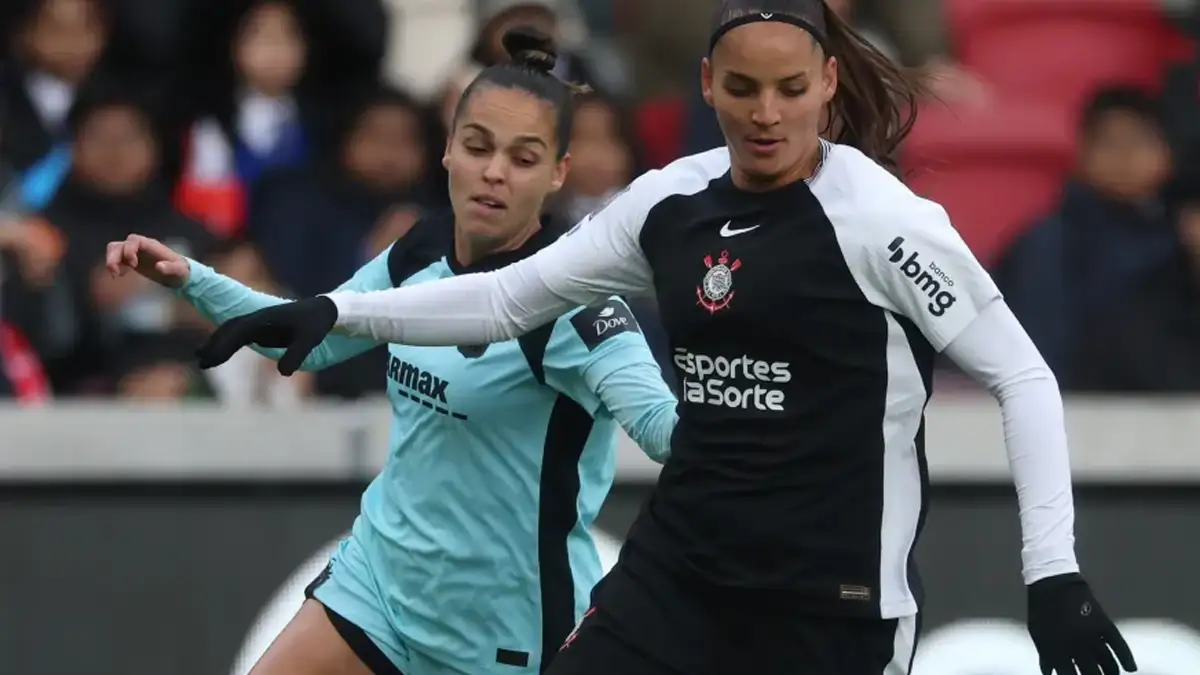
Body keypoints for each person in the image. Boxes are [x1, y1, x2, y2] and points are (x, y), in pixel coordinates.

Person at [194, 2, 1138, 675]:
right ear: (706, 83)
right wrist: (337, 312)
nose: (766, 114)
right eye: (743, 88)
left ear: (830, 83)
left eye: (790, 89)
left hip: (832, 605)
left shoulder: (886, 223)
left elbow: (1024, 377)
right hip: (677, 577)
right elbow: (504, 299)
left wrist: (1052, 573)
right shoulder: (668, 203)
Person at [108, 28, 677, 675]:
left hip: (497, 631)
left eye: (523, 157)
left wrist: (770, 397)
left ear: (558, 173)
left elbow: (667, 431)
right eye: (478, 145)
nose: (494, 171)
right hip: (377, 582)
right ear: (448, 151)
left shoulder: (582, 304)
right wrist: (189, 276)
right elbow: (318, 333)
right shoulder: (419, 248)